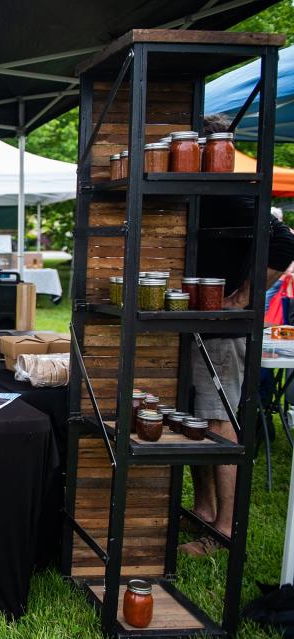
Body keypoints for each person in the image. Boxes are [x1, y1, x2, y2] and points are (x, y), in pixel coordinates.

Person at [180, 115, 294, 556]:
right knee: (196, 416)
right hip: (198, 321)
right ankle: (205, 510)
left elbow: (284, 244)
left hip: (223, 328)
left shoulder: (231, 191)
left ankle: (222, 530)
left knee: (219, 417)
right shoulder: (207, 192)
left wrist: (245, 295)